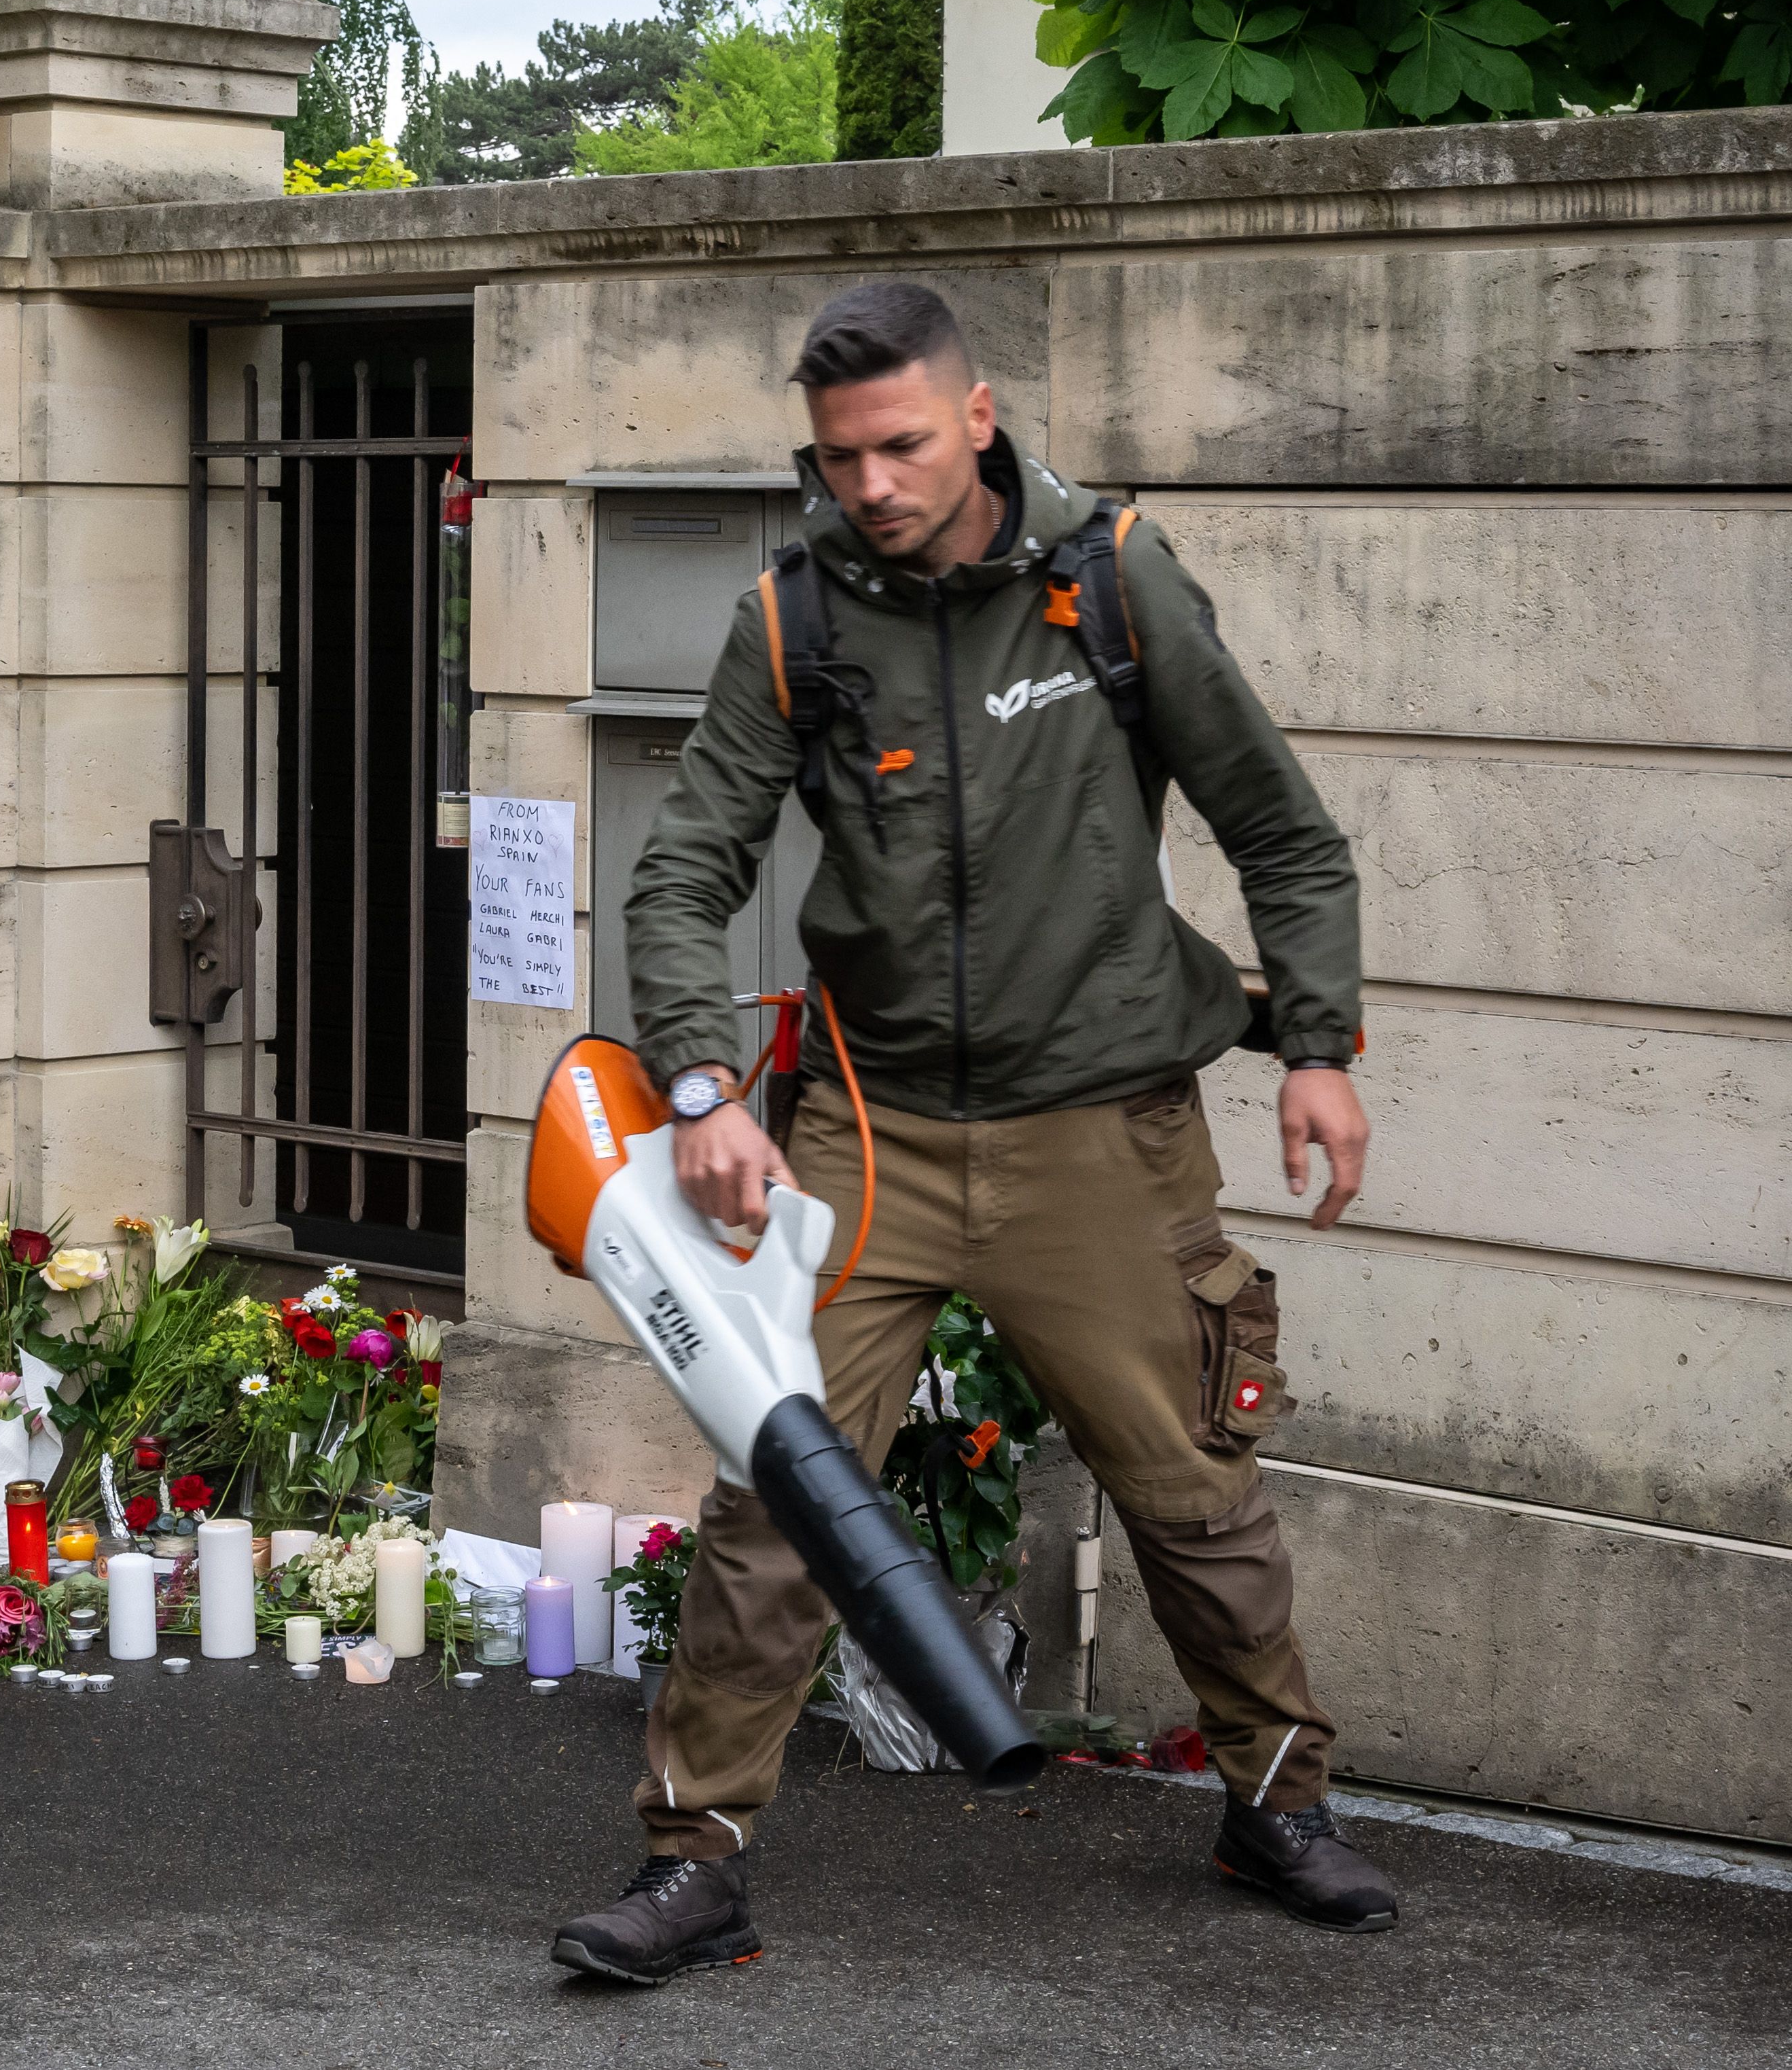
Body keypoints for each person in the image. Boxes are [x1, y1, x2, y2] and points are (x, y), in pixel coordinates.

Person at [550, 281, 1397, 1986]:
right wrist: (703, 1088)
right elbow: (683, 865)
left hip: (1104, 1130)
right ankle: (692, 1856)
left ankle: (1277, 1801)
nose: (870, 481)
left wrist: (1315, 1045)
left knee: (1191, 1491)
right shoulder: (794, 623)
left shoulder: (1111, 585)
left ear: (981, 415)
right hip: (867, 1141)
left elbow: (1280, 833)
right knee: (775, 1496)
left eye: (904, 444)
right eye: (840, 453)